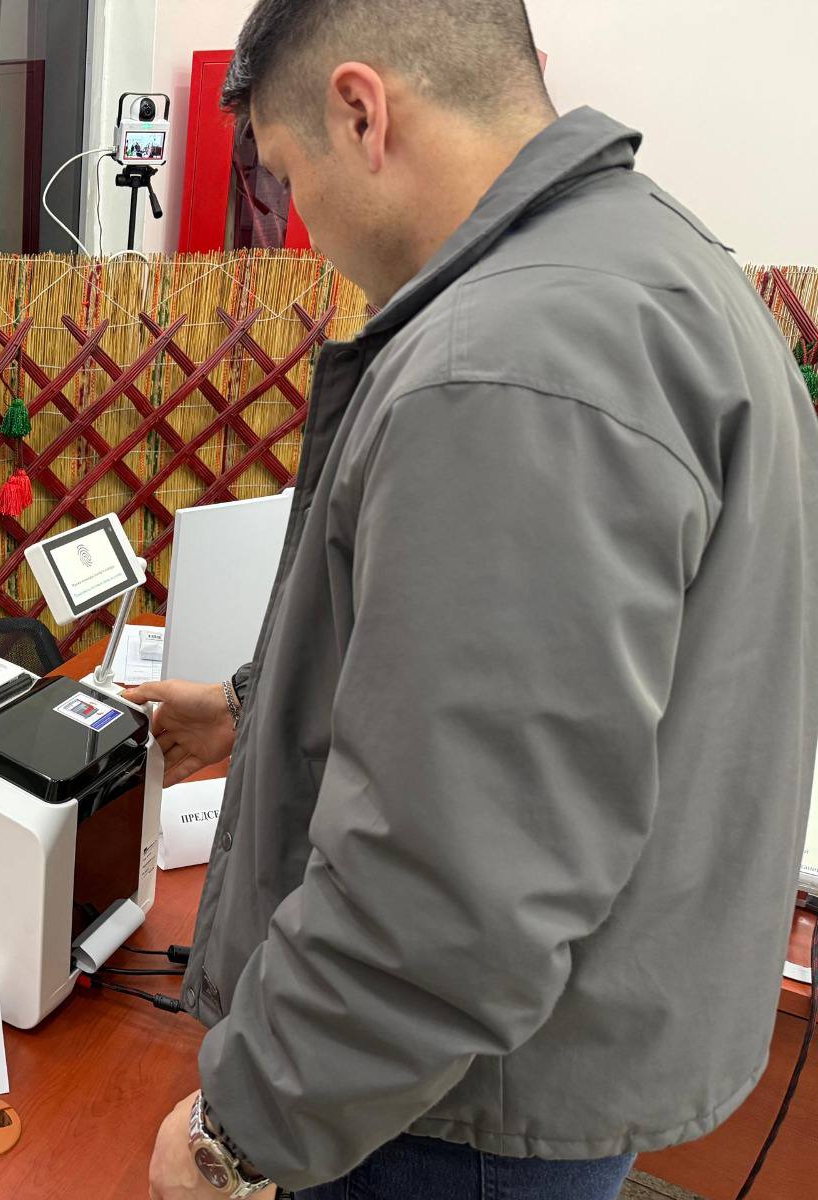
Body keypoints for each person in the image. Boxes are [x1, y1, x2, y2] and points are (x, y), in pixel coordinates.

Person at [132, 2, 818, 1199]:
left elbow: (452, 883)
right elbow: (550, 686)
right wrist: (252, 707)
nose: (299, 225)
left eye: (288, 176)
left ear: (361, 111)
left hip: (441, 1115)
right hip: (539, 1049)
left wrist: (236, 1134)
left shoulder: (509, 364)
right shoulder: (653, 269)